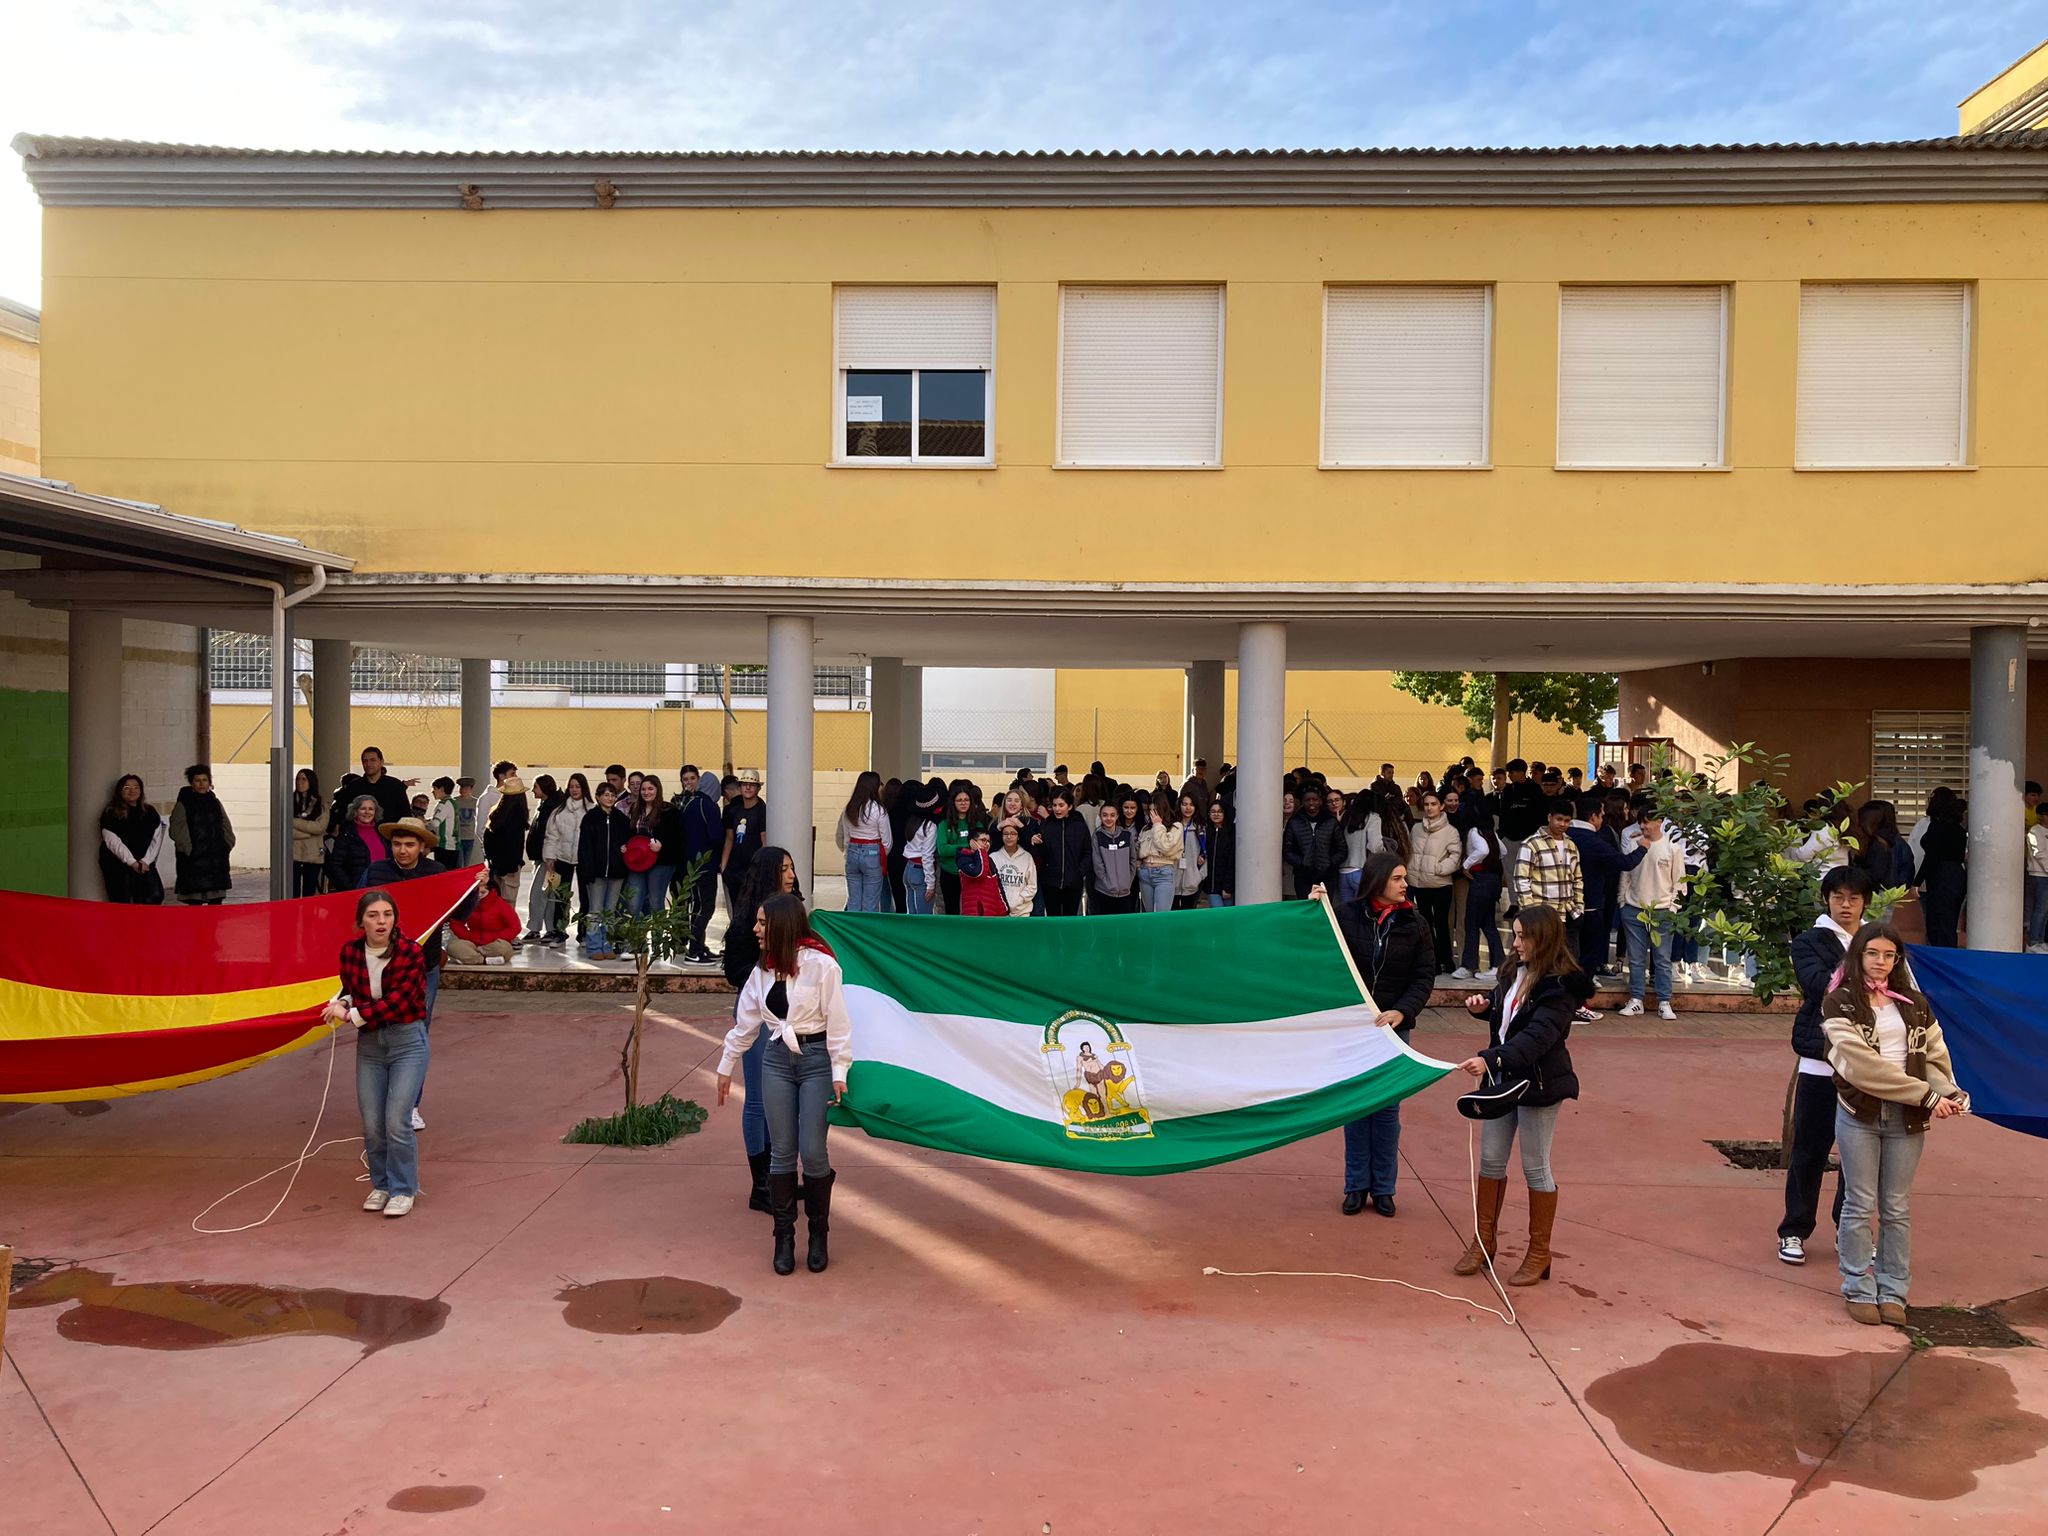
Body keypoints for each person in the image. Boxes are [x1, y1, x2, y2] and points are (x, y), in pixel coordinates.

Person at [1823, 923, 1970, 1325]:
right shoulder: (1840, 1002)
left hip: (1906, 1118)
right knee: (1859, 1203)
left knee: (1896, 1207)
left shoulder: (1915, 1004)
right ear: (1859, 955)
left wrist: (1949, 1092)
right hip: (1861, 1114)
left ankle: (1893, 1291)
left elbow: (1934, 1060)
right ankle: (1857, 1287)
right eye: (1873, 954)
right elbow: (1863, 1068)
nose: (1881, 962)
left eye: (1889, 955)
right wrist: (1927, 1096)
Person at [1453, 905, 1589, 1286]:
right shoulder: (1513, 970)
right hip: (1502, 1079)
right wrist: (1485, 1008)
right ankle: (1484, 1242)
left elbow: (1537, 1038)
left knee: (1535, 1166)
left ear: (1542, 939)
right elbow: (1508, 1014)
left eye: (1521, 936)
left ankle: (1539, 1252)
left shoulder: (1563, 986)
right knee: (1490, 1161)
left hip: (1540, 1084)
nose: (1515, 944)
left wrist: (1489, 1058)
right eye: (1513, 935)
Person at [717, 893, 852, 1275]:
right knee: (781, 1151)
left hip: (816, 1062)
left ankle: (819, 1232)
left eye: (762, 923)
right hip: (777, 1060)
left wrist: (840, 1071)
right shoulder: (761, 971)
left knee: (812, 1151)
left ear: (783, 926)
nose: (756, 930)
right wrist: (726, 1065)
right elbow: (745, 1024)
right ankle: (784, 1237)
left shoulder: (822, 966)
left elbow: (839, 1024)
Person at [1327, 853, 1432, 1218]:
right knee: (1357, 1107)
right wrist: (1313, 907)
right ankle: (1356, 1185)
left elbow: (1424, 977)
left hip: (1394, 1030)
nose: (1405, 884)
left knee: (1387, 1109)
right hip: (1355, 1031)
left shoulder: (1415, 923)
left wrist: (1403, 1011)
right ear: (1378, 881)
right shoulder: (1345, 916)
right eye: (1397, 878)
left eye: (1405, 878)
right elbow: (1319, 946)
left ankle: (1384, 1188)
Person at [1778, 865, 1872, 1266]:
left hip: (1867, 1066)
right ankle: (1794, 1231)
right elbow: (1817, 985)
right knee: (1810, 1150)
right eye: (1837, 897)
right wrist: (1870, 969)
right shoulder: (1809, 941)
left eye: (1853, 897)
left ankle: (1847, 1231)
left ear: (1865, 901)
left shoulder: (1877, 940)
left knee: (1859, 1157)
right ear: (1826, 900)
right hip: (1820, 1062)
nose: (1845, 904)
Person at [327, 888, 430, 1217]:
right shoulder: (350, 952)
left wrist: (353, 1016)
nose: (381, 921)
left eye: (387, 914)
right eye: (373, 916)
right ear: (361, 922)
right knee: (372, 1122)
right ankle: (381, 1184)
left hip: (407, 1042)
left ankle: (404, 1189)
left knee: (397, 1120)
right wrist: (342, 1002)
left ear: (395, 919)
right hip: (370, 1045)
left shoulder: (411, 952)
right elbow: (351, 989)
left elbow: (399, 1000)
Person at [723, 845, 803, 1212]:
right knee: (757, 1098)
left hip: (791, 1017)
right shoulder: (747, 922)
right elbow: (733, 970)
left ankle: (780, 1177)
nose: (790, 874)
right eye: (784, 868)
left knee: (782, 1099)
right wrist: (767, 977)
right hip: (757, 1017)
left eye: (791, 868)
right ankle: (761, 1186)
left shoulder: (796, 911)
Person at [1616, 805, 1685, 1021]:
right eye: (1641, 822)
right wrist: (1622, 903)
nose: (1644, 826)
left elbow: (1680, 883)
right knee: (1635, 959)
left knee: (1662, 958)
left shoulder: (1672, 848)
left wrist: (1673, 908)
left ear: (1660, 821)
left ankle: (1664, 1001)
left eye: (1647, 821)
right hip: (1633, 909)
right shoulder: (1633, 846)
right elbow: (1625, 876)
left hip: (1663, 910)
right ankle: (1636, 999)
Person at [1511, 800, 1585, 950]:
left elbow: (1577, 879)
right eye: (1559, 819)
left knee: (1568, 962)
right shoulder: (1531, 844)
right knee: (1542, 960)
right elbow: (1521, 880)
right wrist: (1530, 911)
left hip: (1568, 913)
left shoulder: (1571, 846)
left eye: (1567, 821)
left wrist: (1579, 907)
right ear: (1549, 817)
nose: (1563, 824)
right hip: (1542, 914)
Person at [575, 782, 632, 958]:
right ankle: (593, 946)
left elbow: (628, 842)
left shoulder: (621, 819)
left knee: (610, 910)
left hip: (616, 872)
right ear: (598, 797)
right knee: (595, 910)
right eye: (606, 795)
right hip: (596, 873)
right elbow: (584, 847)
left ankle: (607, 945)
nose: (609, 798)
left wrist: (625, 850)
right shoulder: (590, 818)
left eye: (612, 795)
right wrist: (587, 871)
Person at [1408, 791, 1461, 977]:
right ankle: (1432, 962)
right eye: (1427, 804)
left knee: (1442, 924)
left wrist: (1439, 868)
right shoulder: (1416, 829)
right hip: (1420, 884)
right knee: (1425, 924)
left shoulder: (1450, 831)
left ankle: (1446, 959)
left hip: (1440, 885)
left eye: (1433, 804)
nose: (1430, 807)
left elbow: (1455, 856)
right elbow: (1411, 852)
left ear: (1441, 806)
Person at [169, 764, 235, 905]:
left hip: (216, 862)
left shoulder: (215, 803)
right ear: (191, 783)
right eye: (197, 780)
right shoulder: (184, 803)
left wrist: (227, 845)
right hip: (193, 863)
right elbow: (177, 829)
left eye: (204, 780)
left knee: (215, 906)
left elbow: (226, 825)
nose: (201, 784)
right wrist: (188, 849)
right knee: (195, 906)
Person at [538, 773, 590, 944]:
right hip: (562, 858)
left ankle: (584, 933)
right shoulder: (559, 810)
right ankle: (559, 932)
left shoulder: (591, 809)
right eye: (571, 786)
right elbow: (551, 836)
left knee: (586, 897)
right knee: (560, 897)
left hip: (584, 859)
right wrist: (550, 856)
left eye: (578, 786)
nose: (574, 790)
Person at [99, 773, 166, 904]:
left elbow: (156, 838)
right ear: (120, 791)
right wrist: (132, 862)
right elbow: (112, 841)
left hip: (144, 863)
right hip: (118, 865)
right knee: (122, 901)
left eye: (136, 787)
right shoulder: (111, 813)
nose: (132, 791)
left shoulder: (149, 811)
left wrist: (146, 861)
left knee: (155, 895)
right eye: (127, 787)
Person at [1916, 787, 1966, 948]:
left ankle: (1941, 959)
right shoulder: (1957, 828)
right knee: (1948, 924)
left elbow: (1931, 857)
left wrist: (1917, 881)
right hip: (1956, 875)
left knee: (1937, 925)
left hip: (1941, 877)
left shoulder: (1937, 827)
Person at [1457, 816, 1506, 980]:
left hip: (1480, 880)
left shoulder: (1473, 831)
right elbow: (1503, 851)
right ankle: (1498, 964)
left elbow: (1483, 850)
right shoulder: (1490, 833)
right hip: (1493, 881)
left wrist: (1466, 865)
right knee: (1488, 924)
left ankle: (1469, 966)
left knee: (1471, 923)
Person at [625, 774, 680, 919]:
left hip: (660, 863)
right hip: (637, 862)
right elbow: (630, 834)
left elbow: (677, 839)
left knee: (655, 902)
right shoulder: (635, 810)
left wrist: (663, 846)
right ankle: (638, 940)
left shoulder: (669, 811)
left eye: (650, 789)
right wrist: (626, 846)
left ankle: (657, 940)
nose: (646, 792)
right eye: (643, 789)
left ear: (658, 790)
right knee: (633, 902)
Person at [835, 770, 889, 913]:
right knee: (870, 903)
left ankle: (852, 932)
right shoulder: (879, 810)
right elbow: (887, 841)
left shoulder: (848, 808)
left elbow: (841, 836)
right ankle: (865, 933)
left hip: (852, 853)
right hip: (872, 853)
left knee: (854, 900)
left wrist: (847, 851)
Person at [330, 746, 413, 833]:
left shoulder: (395, 785)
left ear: (381, 762)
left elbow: (405, 815)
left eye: (373, 760)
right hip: (359, 839)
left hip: (388, 837)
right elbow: (344, 814)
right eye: (365, 761)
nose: (368, 764)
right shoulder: (353, 787)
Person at [1036, 788, 1093, 916]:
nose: (1057, 809)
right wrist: (1037, 844)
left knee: (1070, 918)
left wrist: (1079, 872)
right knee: (1053, 918)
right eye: (1054, 805)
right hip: (1050, 882)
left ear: (1070, 806)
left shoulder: (1079, 826)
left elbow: (1087, 851)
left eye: (1061, 805)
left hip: (1073, 883)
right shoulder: (1047, 825)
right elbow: (1043, 854)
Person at [720, 771, 769, 910]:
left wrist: (762, 868)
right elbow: (730, 838)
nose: (748, 788)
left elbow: (764, 839)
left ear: (758, 788)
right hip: (734, 868)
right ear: (740, 787)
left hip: (753, 869)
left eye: (752, 785)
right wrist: (724, 867)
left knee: (751, 909)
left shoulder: (762, 810)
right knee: (736, 909)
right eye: (744, 785)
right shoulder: (733, 810)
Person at [522, 775, 563, 940]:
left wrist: (550, 856)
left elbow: (551, 834)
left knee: (540, 893)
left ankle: (537, 928)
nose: (533, 791)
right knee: (547, 893)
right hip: (542, 857)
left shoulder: (553, 807)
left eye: (536, 787)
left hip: (549, 859)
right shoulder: (545, 805)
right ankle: (548, 928)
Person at [935, 787, 985, 915]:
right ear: (953, 802)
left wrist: (955, 847)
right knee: (952, 911)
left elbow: (981, 846)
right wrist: (966, 847)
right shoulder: (944, 824)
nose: (963, 803)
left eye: (966, 800)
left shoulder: (977, 824)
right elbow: (942, 849)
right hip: (949, 872)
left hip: (970, 874)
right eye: (959, 800)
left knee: (971, 911)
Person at [482, 773, 529, 905]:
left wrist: (492, 862)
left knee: (495, 902)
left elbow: (487, 839)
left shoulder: (496, 813)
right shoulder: (518, 815)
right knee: (508, 904)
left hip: (496, 866)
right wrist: (514, 866)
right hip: (510, 867)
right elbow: (515, 843)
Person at [325, 793, 386, 892]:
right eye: (363, 808)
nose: (367, 812)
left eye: (371, 809)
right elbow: (334, 866)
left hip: (382, 889)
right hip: (358, 891)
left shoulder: (382, 833)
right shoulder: (347, 835)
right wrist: (350, 887)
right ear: (355, 811)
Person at [447, 884, 521, 964]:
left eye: (483, 892)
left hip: (495, 944)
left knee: (503, 948)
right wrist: (469, 936)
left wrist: (494, 938)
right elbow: (456, 922)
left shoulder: (501, 905)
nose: (479, 895)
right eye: (477, 892)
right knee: (453, 947)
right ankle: (484, 960)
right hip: (473, 942)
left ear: (490, 892)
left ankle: (471, 958)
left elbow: (515, 927)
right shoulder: (469, 903)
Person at [900, 781, 942, 913]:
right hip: (920, 872)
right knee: (924, 919)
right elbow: (927, 856)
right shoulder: (930, 826)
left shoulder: (911, 821)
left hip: (908, 869)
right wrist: (930, 883)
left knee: (912, 914)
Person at [1090, 801, 1138, 914]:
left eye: (1112, 815)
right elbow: (1097, 864)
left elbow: (1132, 859)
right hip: (1104, 891)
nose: (1108, 818)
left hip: (1125, 891)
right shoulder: (1097, 836)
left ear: (1117, 816)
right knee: (1107, 926)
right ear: (1100, 817)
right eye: (1105, 815)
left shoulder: (1126, 835)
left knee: (1124, 926)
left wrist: (1128, 881)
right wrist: (1107, 883)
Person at [1136, 792, 1181, 914]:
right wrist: (1139, 866)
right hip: (1145, 872)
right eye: (1150, 810)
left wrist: (1158, 825)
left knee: (1161, 917)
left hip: (1163, 873)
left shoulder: (1176, 827)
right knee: (1149, 916)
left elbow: (1166, 847)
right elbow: (1138, 850)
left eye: (1155, 810)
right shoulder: (1145, 829)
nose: (1152, 814)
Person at [286, 769, 326, 898]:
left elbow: (319, 827)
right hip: (294, 854)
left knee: (309, 892)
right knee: (293, 893)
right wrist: (307, 833)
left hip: (313, 854)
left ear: (311, 781)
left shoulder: (321, 803)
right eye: (298, 779)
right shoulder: (288, 802)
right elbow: (285, 829)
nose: (300, 782)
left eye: (304, 779)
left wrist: (294, 821)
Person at [956, 828, 1008, 916]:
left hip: (992, 913)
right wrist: (980, 851)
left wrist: (1004, 910)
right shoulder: (964, 858)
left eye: (988, 841)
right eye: (983, 840)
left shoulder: (988, 859)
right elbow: (979, 873)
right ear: (972, 842)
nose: (987, 844)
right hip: (975, 913)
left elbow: (997, 886)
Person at [992, 819, 1038, 916]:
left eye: (1013, 833)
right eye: (1005, 833)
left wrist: (1019, 900)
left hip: (1022, 912)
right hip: (998, 911)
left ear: (1018, 837)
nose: (1009, 837)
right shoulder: (993, 857)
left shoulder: (1027, 857)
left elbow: (1032, 886)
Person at [1174, 791, 1209, 909]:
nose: (1188, 808)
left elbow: (1205, 853)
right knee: (1172, 917)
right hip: (1172, 881)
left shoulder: (1200, 828)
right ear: (1179, 805)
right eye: (1184, 804)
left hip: (1191, 881)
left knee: (1188, 917)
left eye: (1191, 804)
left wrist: (1199, 876)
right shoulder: (1172, 826)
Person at [1205, 798, 1235, 907]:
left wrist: (1228, 887)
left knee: (1228, 919)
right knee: (1219, 916)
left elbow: (1232, 862)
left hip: (1228, 888)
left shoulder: (1231, 833)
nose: (1216, 814)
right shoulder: (1206, 833)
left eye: (1219, 811)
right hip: (1211, 887)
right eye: (1213, 811)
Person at [427, 777, 460, 870]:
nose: (432, 792)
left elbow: (435, 824)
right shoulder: (453, 803)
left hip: (444, 845)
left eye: (434, 789)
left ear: (441, 789)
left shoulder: (443, 804)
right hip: (454, 844)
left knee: (442, 873)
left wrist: (424, 826)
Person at [2027, 812, 2048, 954]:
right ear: (2041, 816)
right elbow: (2038, 853)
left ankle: (2041, 940)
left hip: (2045, 874)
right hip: (2038, 875)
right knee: (2040, 910)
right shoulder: (2033, 832)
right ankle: (2033, 942)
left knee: (2046, 911)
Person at [453, 776, 480, 865]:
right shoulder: (454, 801)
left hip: (470, 837)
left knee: (466, 863)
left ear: (471, 789)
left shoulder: (476, 802)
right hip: (457, 838)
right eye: (461, 787)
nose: (463, 790)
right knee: (459, 863)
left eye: (466, 788)